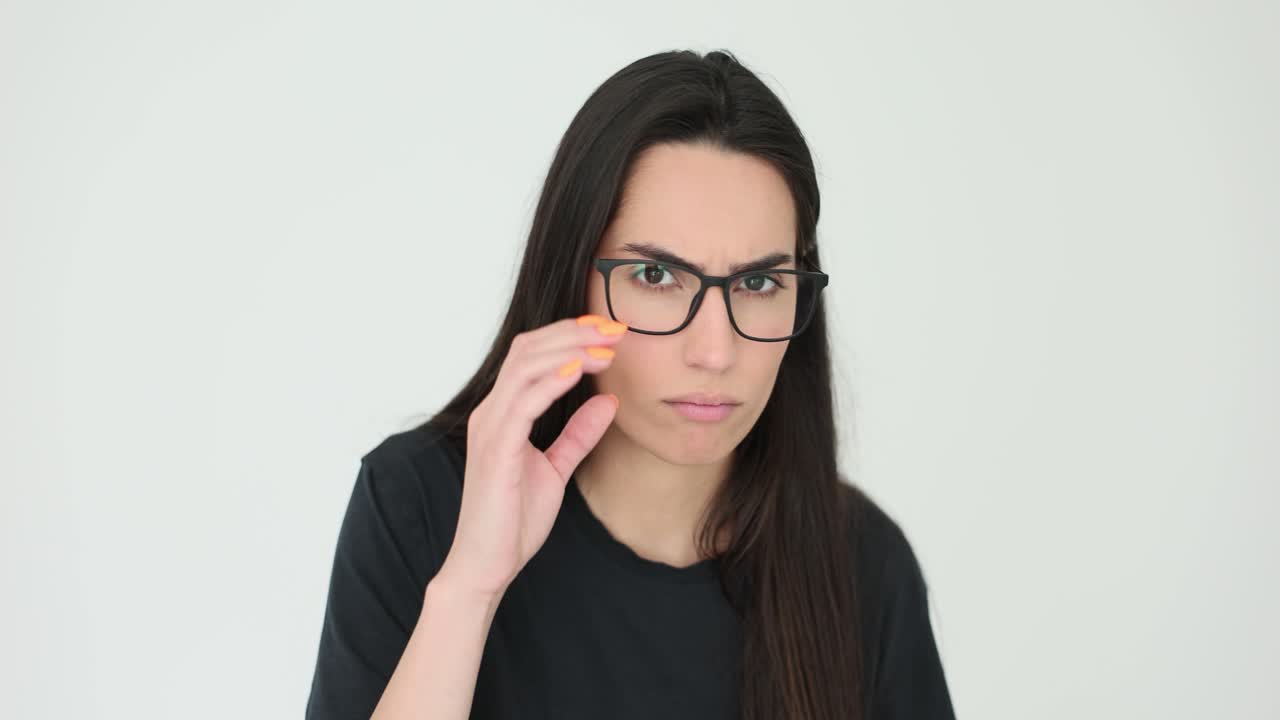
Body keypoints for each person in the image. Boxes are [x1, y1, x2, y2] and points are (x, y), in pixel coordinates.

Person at [305, 48, 955, 720]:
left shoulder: (863, 563)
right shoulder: (418, 504)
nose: (715, 352)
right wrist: (471, 586)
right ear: (573, 276)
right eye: (655, 277)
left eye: (760, 282)